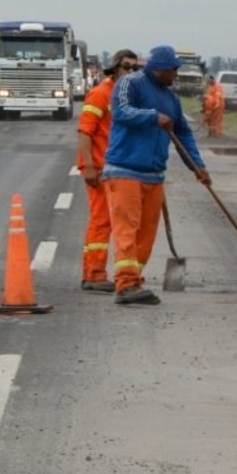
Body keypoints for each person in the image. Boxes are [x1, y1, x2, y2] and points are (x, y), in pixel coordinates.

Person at [103, 45, 210, 305]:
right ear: (160, 68)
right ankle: (126, 284)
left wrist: (197, 166)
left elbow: (183, 134)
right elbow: (121, 111)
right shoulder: (130, 83)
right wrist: (152, 117)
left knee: (146, 235)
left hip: (154, 176)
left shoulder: (171, 99)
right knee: (127, 231)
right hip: (125, 171)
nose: (176, 74)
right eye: (173, 69)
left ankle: (134, 281)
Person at [76, 49, 140, 293]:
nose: (131, 72)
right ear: (115, 68)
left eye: (135, 68)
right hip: (99, 168)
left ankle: (93, 272)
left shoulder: (126, 96)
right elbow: (85, 132)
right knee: (101, 220)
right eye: (126, 67)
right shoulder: (101, 93)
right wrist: (89, 166)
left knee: (110, 221)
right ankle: (93, 274)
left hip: (116, 168)